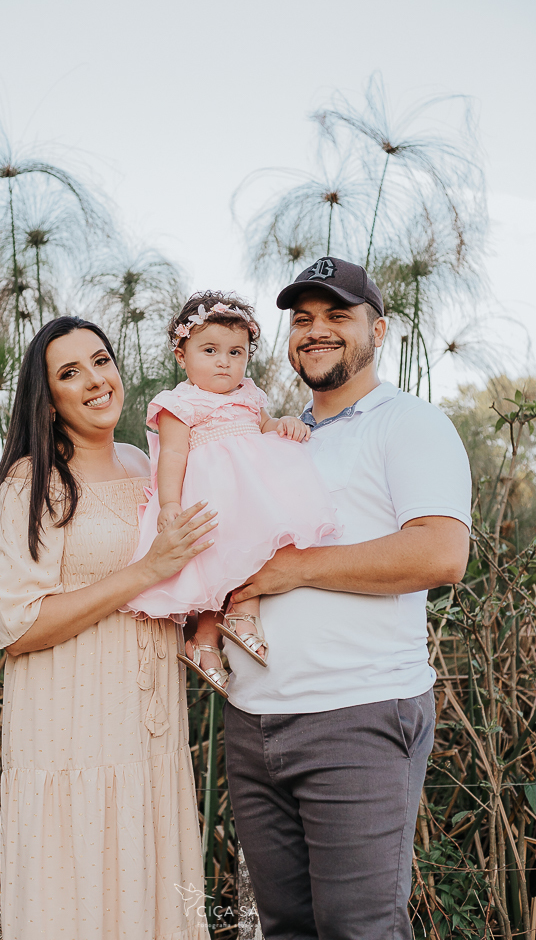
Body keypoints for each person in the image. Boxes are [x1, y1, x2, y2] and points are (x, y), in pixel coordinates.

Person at [222, 258, 472, 940]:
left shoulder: (409, 423)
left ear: (378, 330)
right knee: (286, 930)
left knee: (360, 929)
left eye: (338, 315)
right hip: (253, 721)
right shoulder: (277, 439)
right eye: (302, 319)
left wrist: (295, 570)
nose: (316, 330)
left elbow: (440, 553)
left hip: (356, 715)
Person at [0, 316, 215, 940]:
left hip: (150, 731)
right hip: (71, 735)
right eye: (70, 372)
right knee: (79, 894)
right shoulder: (32, 483)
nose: (94, 380)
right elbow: (19, 625)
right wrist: (145, 571)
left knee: (150, 891)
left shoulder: (145, 464)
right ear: (48, 400)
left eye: (101, 360)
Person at [124, 291, 338, 695]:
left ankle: (236, 617)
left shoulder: (249, 395)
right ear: (181, 356)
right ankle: (206, 640)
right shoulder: (180, 403)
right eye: (210, 350)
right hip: (210, 500)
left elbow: (265, 426)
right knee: (213, 572)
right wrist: (169, 503)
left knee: (253, 555)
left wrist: (284, 424)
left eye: (235, 352)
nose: (224, 361)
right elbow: (171, 455)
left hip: (249, 497)